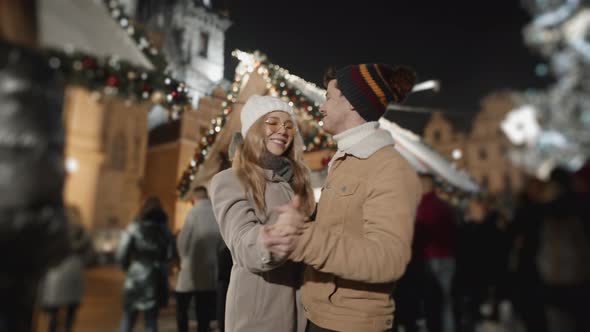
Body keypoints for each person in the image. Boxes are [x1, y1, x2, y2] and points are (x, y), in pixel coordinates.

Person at [265, 64, 422, 332]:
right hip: (319, 315)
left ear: (351, 102)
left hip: (351, 324)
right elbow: (340, 233)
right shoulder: (345, 161)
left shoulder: (390, 168)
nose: (321, 106)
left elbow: (388, 259)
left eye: (328, 96)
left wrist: (301, 238)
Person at [209, 95, 315, 332]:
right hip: (259, 317)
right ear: (254, 127)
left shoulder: (299, 181)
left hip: (304, 312)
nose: (283, 131)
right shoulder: (230, 179)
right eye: (272, 122)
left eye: (289, 126)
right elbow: (241, 240)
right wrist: (270, 240)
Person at [116, 196, 174, 332]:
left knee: (128, 319)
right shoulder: (164, 230)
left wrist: (127, 268)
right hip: (156, 277)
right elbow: (170, 255)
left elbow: (122, 253)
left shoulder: (134, 227)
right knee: (151, 321)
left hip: (135, 275)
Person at [413, 173, 457, 332]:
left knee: (431, 303)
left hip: (428, 259)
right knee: (445, 302)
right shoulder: (446, 206)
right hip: (448, 258)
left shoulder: (421, 207)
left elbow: (418, 235)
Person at [175, 186, 222, 332]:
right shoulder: (216, 213)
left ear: (195, 197)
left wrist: (183, 259)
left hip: (191, 267)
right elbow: (221, 243)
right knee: (204, 310)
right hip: (210, 269)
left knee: (182, 306)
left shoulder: (193, 212)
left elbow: (183, 239)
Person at [39, 211, 92, 332]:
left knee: (54, 311)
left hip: (56, 271)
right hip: (75, 270)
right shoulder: (82, 232)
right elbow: (90, 255)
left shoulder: (55, 230)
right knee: (71, 310)